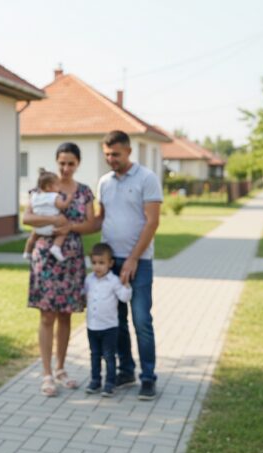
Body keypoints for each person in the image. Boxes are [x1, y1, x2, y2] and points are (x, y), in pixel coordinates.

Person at [23, 142, 97, 397]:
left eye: (71, 163)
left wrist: (69, 229)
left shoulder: (85, 192)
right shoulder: (42, 187)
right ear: (56, 163)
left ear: (78, 164)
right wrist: (55, 220)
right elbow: (27, 218)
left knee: (66, 314)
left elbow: (91, 224)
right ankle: (46, 373)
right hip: (45, 255)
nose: (66, 168)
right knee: (46, 315)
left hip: (71, 256)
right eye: (62, 163)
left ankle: (61, 368)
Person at [96, 130, 163, 401]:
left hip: (140, 261)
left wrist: (134, 258)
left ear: (128, 151)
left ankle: (148, 377)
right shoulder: (104, 182)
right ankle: (125, 370)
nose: (111, 159)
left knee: (141, 320)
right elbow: (101, 219)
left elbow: (153, 222)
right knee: (117, 321)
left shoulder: (147, 178)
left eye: (116, 154)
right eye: (107, 154)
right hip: (111, 262)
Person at [83, 243, 132, 397]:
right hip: (92, 326)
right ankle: (95, 381)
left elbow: (124, 298)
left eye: (102, 263)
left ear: (110, 263)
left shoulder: (114, 281)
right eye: (94, 263)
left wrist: (126, 285)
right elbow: (84, 296)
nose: (97, 267)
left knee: (109, 356)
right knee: (94, 355)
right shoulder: (89, 279)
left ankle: (109, 383)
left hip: (109, 327)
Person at [22, 169, 72, 262]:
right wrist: (68, 199)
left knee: (32, 237)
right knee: (63, 232)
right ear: (49, 187)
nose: (59, 187)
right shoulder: (54, 196)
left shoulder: (34, 196)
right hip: (52, 228)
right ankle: (56, 247)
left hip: (38, 228)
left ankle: (27, 252)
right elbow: (62, 206)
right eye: (57, 185)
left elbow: (29, 211)